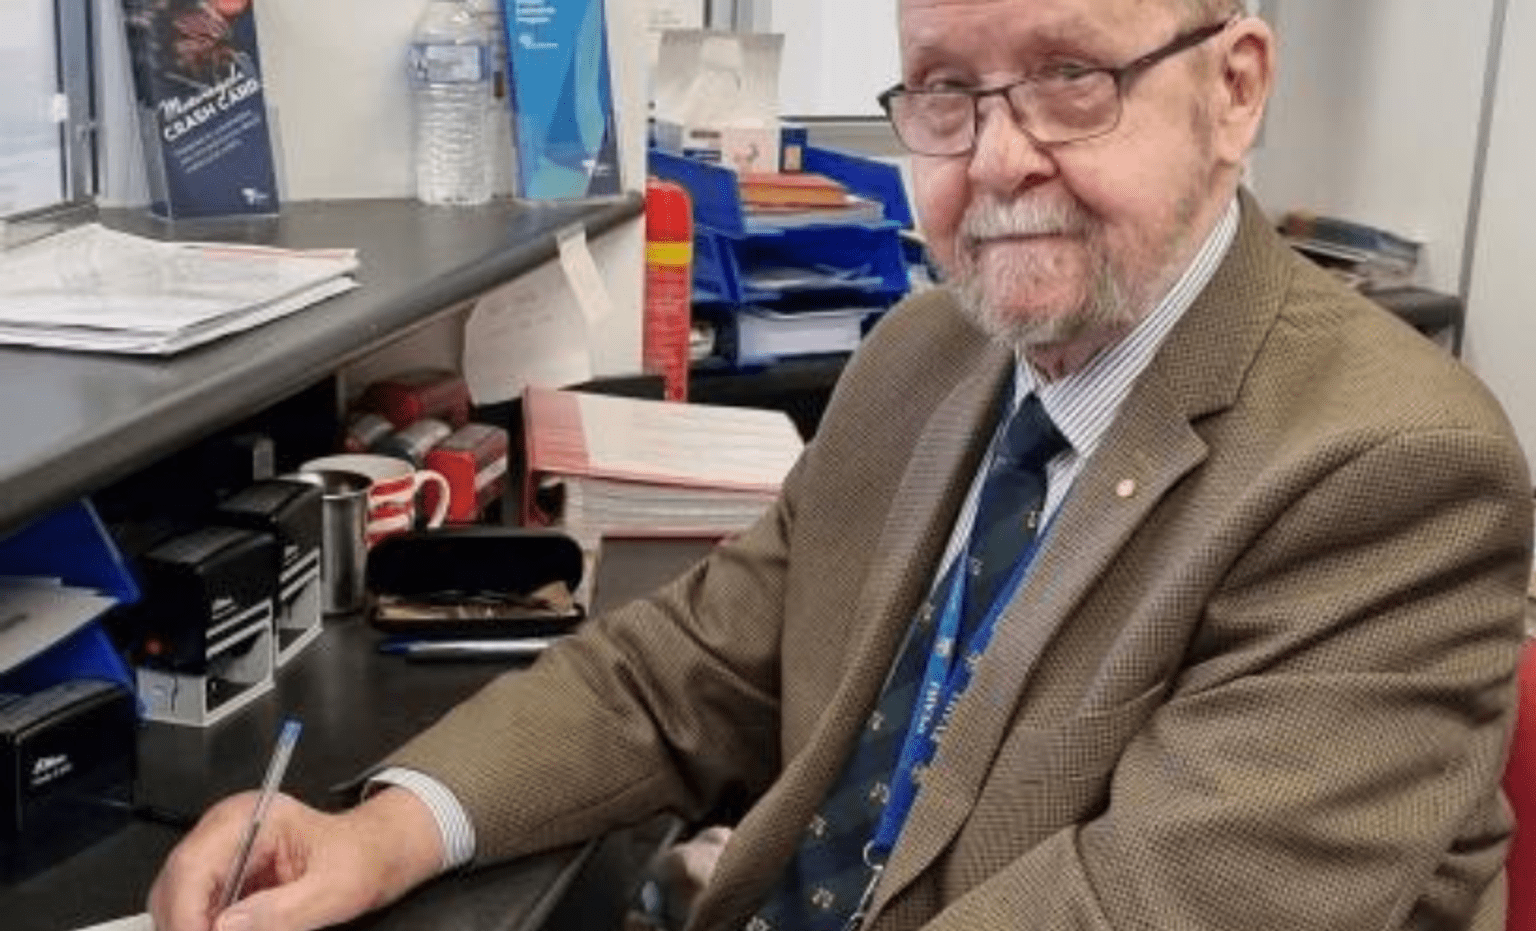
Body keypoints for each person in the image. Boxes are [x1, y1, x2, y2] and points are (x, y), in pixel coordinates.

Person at [150, 0, 1534, 929]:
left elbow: (1126, 908)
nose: (997, 161)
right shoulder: (928, 355)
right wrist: (380, 828)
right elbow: (680, 671)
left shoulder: (1393, 472)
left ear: (1234, 92)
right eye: (943, 92)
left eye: (1070, 77)